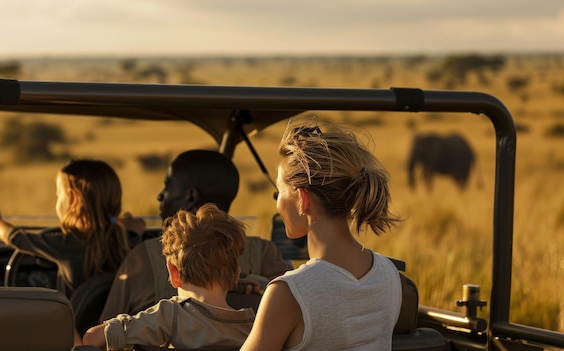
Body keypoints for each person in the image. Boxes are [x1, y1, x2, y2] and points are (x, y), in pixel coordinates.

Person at [240, 119, 404, 351]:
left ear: (303, 199)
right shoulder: (388, 273)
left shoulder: (289, 291)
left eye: (280, 192)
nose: (276, 202)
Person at [98, 149, 292, 322]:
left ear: (190, 197)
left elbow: (105, 332)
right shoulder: (265, 254)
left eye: (167, 186)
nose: (160, 196)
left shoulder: (143, 258)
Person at [82, 203, 255, 349]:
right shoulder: (253, 325)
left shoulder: (171, 316)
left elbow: (93, 338)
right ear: (236, 275)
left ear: (173, 273)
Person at [0, 159, 130, 297]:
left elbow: (16, 238)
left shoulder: (67, 244)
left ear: (73, 198)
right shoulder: (128, 240)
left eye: (58, 195)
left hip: (73, 330)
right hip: (115, 329)